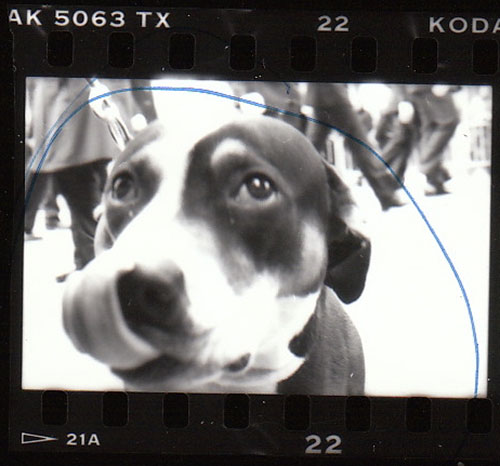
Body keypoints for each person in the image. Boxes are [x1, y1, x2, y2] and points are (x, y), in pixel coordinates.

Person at [26, 78, 157, 279]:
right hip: (87, 121)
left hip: (72, 121)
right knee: (89, 193)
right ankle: (87, 261)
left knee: (81, 194)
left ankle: (92, 265)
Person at [303, 83, 407, 210]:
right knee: (360, 144)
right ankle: (386, 194)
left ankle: (294, 185)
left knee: (311, 147)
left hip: (322, 96)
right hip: (333, 94)